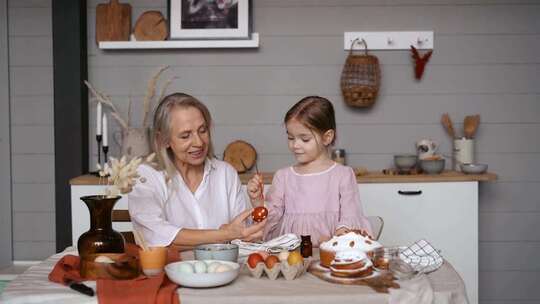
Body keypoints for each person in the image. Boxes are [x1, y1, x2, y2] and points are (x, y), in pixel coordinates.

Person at [128, 93, 265, 249]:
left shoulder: (226, 173)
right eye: (186, 136)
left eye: (202, 130)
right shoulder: (146, 175)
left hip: (223, 270)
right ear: (163, 140)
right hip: (170, 271)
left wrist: (256, 208)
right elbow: (155, 237)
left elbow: (242, 236)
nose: (199, 142)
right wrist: (224, 234)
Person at [247, 96, 372, 246]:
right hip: (292, 257)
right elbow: (271, 221)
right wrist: (258, 202)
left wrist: (339, 238)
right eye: (291, 138)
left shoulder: (343, 175)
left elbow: (350, 214)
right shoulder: (283, 177)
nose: (295, 145)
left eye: (304, 139)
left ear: (327, 137)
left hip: (330, 256)